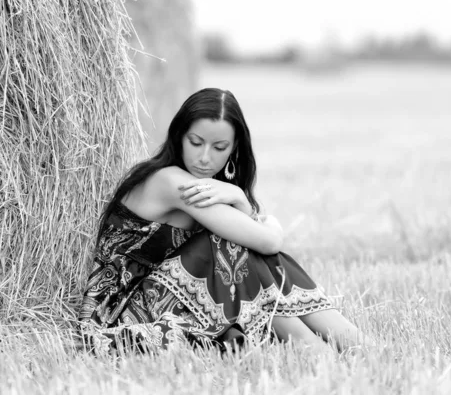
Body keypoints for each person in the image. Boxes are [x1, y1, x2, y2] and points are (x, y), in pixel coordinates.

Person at [79, 88, 368, 354]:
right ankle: (328, 343)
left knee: (236, 249)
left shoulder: (207, 185)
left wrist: (240, 199)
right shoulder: (171, 182)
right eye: (195, 142)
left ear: (234, 149)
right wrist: (241, 199)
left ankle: (326, 344)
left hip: (177, 297)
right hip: (121, 311)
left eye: (219, 147)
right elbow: (267, 240)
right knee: (229, 246)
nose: (204, 157)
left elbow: (255, 235)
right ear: (179, 136)